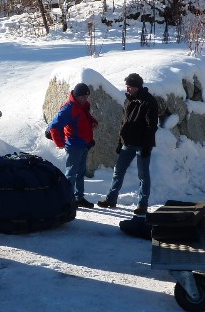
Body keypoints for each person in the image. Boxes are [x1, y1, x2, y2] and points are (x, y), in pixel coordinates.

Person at [97, 73, 158, 217]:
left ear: (137, 86)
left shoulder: (149, 101)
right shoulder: (128, 100)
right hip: (127, 143)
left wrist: (147, 147)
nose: (127, 89)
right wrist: (120, 142)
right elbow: (123, 123)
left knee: (143, 175)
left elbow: (152, 126)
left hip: (142, 145)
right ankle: (111, 199)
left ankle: (142, 205)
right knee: (118, 172)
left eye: (130, 86)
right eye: (127, 86)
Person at [47, 82, 98, 209]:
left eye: (87, 96)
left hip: (84, 145)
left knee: (81, 173)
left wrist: (92, 121)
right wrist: (59, 143)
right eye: (83, 96)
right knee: (71, 174)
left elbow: (85, 118)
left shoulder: (83, 105)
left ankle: (79, 198)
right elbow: (53, 126)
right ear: (76, 96)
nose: (85, 99)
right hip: (74, 146)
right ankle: (67, 200)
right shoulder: (69, 108)